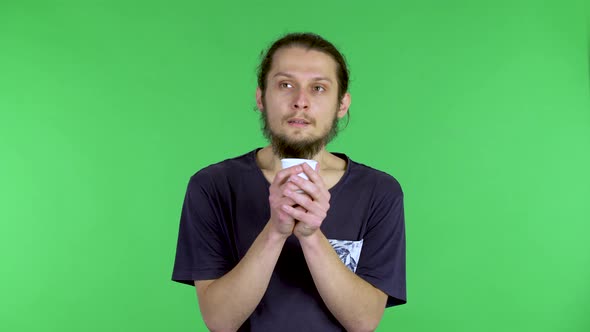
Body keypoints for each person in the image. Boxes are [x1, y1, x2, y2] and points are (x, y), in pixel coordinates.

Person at [171, 32, 406, 331]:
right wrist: (275, 231)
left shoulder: (379, 192)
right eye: (285, 85)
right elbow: (219, 320)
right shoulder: (211, 186)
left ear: (341, 104)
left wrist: (310, 235)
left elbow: (363, 321)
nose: (301, 102)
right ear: (261, 98)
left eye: (319, 88)